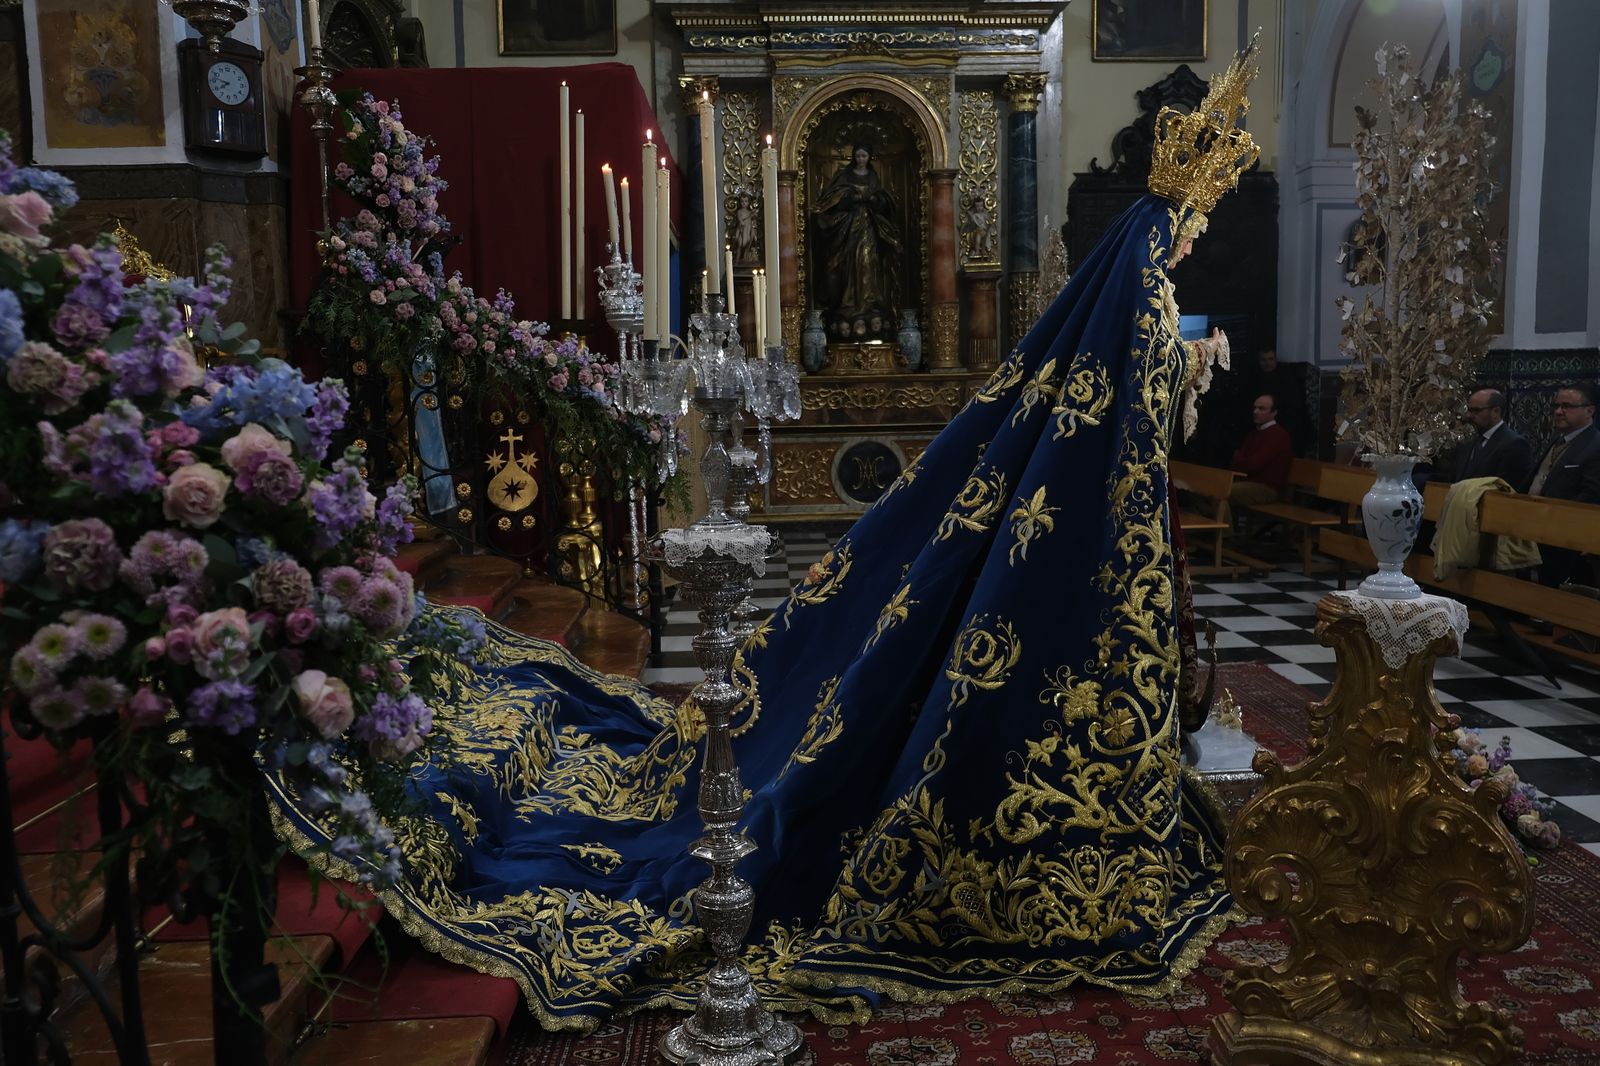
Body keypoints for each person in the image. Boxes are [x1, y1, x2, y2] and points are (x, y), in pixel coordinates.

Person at [273, 42, 1263, 1030]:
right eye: (1194, 229)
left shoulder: (1133, 304)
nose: (1192, 245)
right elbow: (1132, 416)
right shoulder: (1138, 305)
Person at [812, 144, 903, 341]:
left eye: (865, 155)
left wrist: (875, 200)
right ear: (854, 157)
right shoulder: (845, 176)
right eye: (858, 155)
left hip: (870, 228)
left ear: (869, 157)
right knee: (848, 266)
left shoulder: (873, 177)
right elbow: (833, 199)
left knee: (868, 263)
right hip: (848, 230)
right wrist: (849, 198)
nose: (861, 159)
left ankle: (870, 303)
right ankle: (849, 303)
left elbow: (885, 201)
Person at [1530, 382, 1600, 588]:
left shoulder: (1595, 446)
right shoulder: (1556, 440)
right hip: (1534, 529)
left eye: (1567, 406)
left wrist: (1553, 519)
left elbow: (1592, 494)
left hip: (1566, 540)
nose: (1559, 412)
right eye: (1556, 406)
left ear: (1589, 410)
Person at [1452, 388, 1536, 491]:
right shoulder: (1468, 442)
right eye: (1469, 410)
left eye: (1476, 411)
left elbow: (1506, 491)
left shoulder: (1514, 445)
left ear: (1496, 412)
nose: (1468, 416)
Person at [1229, 393, 1293, 506]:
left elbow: (1253, 464)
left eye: (1262, 409)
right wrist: (1241, 460)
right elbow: (1236, 463)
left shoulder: (1278, 435)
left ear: (1274, 412)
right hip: (1249, 483)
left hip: (1267, 488)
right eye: (1255, 408)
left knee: (1223, 491)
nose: (1256, 412)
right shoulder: (1253, 434)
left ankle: (1226, 523)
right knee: (1205, 489)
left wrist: (1240, 459)